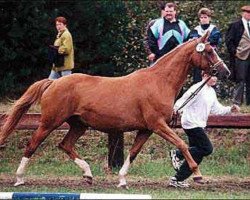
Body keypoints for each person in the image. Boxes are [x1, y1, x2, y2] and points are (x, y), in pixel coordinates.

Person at [169, 71, 240, 188]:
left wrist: (230, 109)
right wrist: (176, 109)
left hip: (199, 124)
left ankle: (177, 179)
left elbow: (216, 109)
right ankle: (178, 153)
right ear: (205, 76)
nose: (215, 78)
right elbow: (184, 99)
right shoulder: (197, 88)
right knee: (207, 149)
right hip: (191, 123)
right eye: (213, 76)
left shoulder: (211, 92)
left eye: (216, 76)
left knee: (196, 155)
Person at [189, 8, 222, 83]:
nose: (203, 19)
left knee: (210, 80)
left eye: (205, 17)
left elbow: (215, 40)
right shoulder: (195, 30)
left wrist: (201, 40)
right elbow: (193, 41)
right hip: (198, 58)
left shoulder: (214, 29)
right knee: (197, 81)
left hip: (210, 58)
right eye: (201, 17)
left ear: (209, 18)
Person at [225, 5, 250, 105]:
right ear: (242, 13)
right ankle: (237, 102)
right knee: (240, 79)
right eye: (247, 12)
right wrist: (234, 52)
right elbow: (229, 40)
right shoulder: (235, 25)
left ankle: (249, 103)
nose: (249, 15)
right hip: (240, 56)